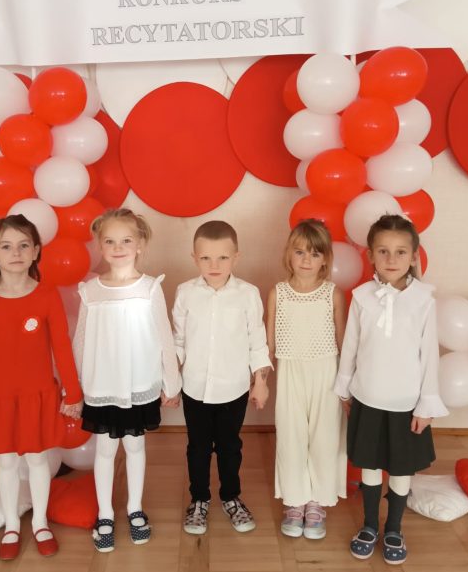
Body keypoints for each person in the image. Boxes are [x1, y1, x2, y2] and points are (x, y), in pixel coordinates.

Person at [0, 214, 83, 561]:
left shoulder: (46, 295)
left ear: (35, 251)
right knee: (6, 462)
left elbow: (61, 346)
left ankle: (41, 523)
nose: (15, 253)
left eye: (23, 245)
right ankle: (12, 526)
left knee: (37, 459)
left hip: (39, 394)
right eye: (6, 246)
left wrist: (73, 392)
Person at [334, 214, 448, 565]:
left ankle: (394, 528)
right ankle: (369, 525)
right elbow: (351, 345)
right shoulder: (362, 297)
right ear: (370, 255)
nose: (391, 258)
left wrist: (426, 405)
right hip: (367, 395)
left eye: (400, 251)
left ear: (413, 256)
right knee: (369, 465)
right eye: (383, 251)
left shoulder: (424, 300)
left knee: (400, 469)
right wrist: (345, 388)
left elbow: (429, 355)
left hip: (406, 402)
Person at [72, 208, 180, 553]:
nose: (118, 247)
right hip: (102, 384)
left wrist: (171, 382)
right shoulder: (91, 291)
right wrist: (74, 388)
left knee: (135, 446)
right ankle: (105, 514)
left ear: (140, 244)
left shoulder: (149, 288)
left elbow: (164, 336)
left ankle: (135, 508)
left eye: (126, 240)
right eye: (110, 241)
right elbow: (81, 340)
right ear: (100, 246)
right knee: (105, 449)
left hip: (137, 382)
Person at [173, 220, 272, 535]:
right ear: (194, 258)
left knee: (230, 446)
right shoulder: (185, 293)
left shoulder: (248, 294)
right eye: (205, 258)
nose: (214, 266)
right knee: (198, 447)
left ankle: (231, 497)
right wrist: (170, 382)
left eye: (223, 258)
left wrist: (260, 382)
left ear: (236, 258)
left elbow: (257, 341)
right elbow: (178, 341)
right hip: (195, 388)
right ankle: (199, 499)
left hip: (234, 388)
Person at [267, 219, 347, 540]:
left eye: (314, 254)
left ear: (325, 259)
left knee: (324, 437)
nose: (306, 260)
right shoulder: (278, 293)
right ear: (289, 253)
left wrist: (346, 385)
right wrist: (260, 379)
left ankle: (316, 501)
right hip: (290, 371)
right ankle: (295, 500)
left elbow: (343, 341)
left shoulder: (332, 294)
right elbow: (269, 343)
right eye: (300, 252)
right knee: (291, 436)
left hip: (326, 372)